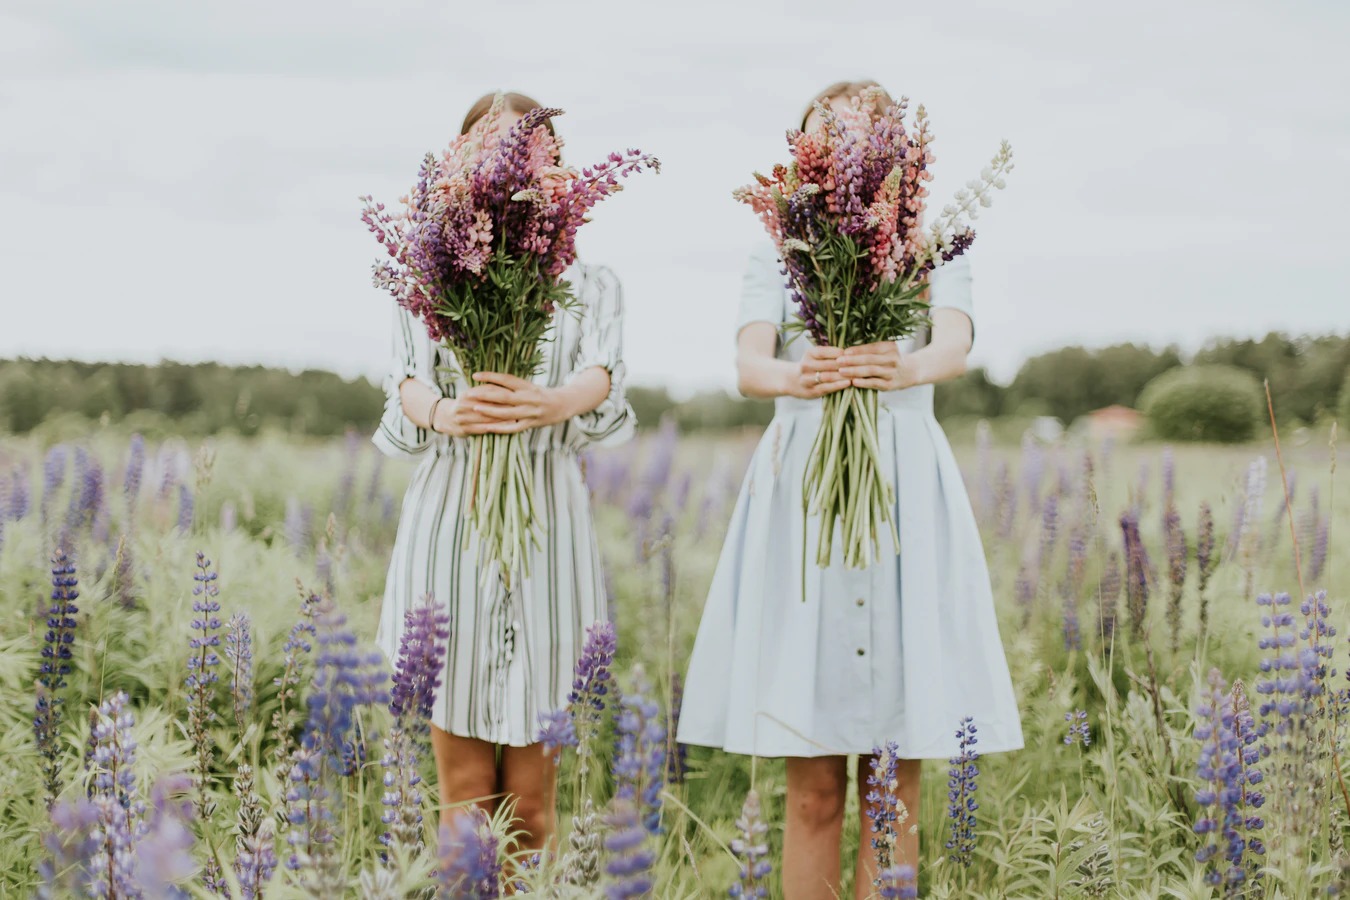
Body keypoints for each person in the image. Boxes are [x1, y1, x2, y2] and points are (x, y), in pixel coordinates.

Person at [678, 80, 1024, 899]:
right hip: (806, 484)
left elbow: (955, 343)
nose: (849, 145)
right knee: (815, 786)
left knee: (895, 782)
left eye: (866, 131)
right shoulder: (777, 246)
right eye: (830, 132)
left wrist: (897, 366)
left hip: (905, 478)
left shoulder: (934, 239)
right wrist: (803, 377)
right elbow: (749, 366)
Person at [372, 91, 635, 854]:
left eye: (532, 150)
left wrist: (550, 402)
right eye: (490, 149)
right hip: (451, 518)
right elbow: (405, 380)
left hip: (547, 521)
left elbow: (605, 376)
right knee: (463, 798)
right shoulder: (427, 278)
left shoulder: (592, 283)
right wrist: (444, 414)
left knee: (532, 803)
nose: (513, 163)